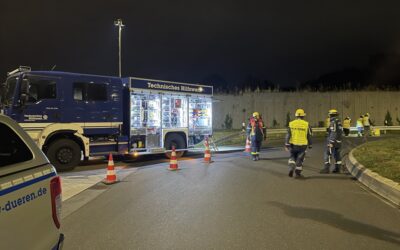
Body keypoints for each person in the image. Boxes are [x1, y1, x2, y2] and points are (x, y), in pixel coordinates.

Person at [285, 109, 312, 178]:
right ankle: (297, 173)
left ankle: (291, 167)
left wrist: (286, 143)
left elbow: (288, 134)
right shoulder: (306, 124)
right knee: (300, 159)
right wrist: (310, 144)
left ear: (296, 115)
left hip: (293, 144)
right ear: (303, 116)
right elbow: (309, 135)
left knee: (292, 156)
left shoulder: (291, 123)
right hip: (303, 145)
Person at [320, 109, 343, 174]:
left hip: (333, 141)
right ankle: (338, 168)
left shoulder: (333, 122)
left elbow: (334, 132)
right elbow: (340, 132)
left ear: (330, 115)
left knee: (328, 153)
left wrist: (331, 141)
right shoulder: (339, 121)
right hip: (338, 141)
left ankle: (326, 168)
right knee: (337, 155)